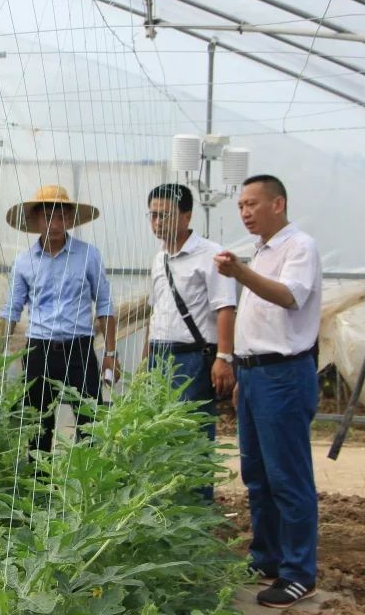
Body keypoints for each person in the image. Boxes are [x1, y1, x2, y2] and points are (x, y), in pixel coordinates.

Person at [215, 174, 321, 609]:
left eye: (252, 204)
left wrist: (239, 271)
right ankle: (267, 558)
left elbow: (289, 298)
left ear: (279, 204)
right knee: (257, 474)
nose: (245, 212)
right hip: (256, 376)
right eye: (240, 205)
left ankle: (299, 573)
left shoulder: (299, 248)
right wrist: (242, 374)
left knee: (287, 478)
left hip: (284, 375)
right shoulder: (261, 252)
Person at [0, 185, 117, 453]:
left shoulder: (88, 255)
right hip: (39, 350)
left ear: (70, 219)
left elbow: (105, 305)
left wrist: (111, 351)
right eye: (48, 216)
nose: (54, 223)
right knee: (38, 425)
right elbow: (11, 310)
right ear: (36, 219)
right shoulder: (24, 262)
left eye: (61, 216)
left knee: (91, 421)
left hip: (80, 349)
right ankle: (39, 491)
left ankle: (87, 487)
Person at [144, 184, 237, 500]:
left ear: (186, 215)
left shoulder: (210, 254)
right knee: (160, 434)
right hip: (161, 355)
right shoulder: (160, 259)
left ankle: (197, 510)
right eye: (153, 216)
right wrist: (147, 360)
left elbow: (225, 307)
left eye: (165, 215)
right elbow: (155, 312)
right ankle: (169, 509)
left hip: (193, 358)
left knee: (193, 436)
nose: (158, 222)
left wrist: (224, 357)